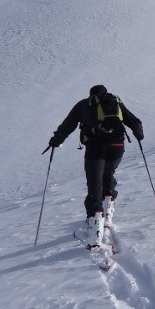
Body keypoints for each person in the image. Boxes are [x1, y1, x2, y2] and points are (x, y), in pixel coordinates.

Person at [48, 84, 144, 242]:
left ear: (91, 95)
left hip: (95, 149)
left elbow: (68, 125)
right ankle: (107, 209)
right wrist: (139, 135)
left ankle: (94, 227)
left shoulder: (83, 104)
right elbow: (134, 121)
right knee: (108, 175)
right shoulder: (116, 101)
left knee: (94, 184)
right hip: (117, 147)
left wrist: (55, 141)